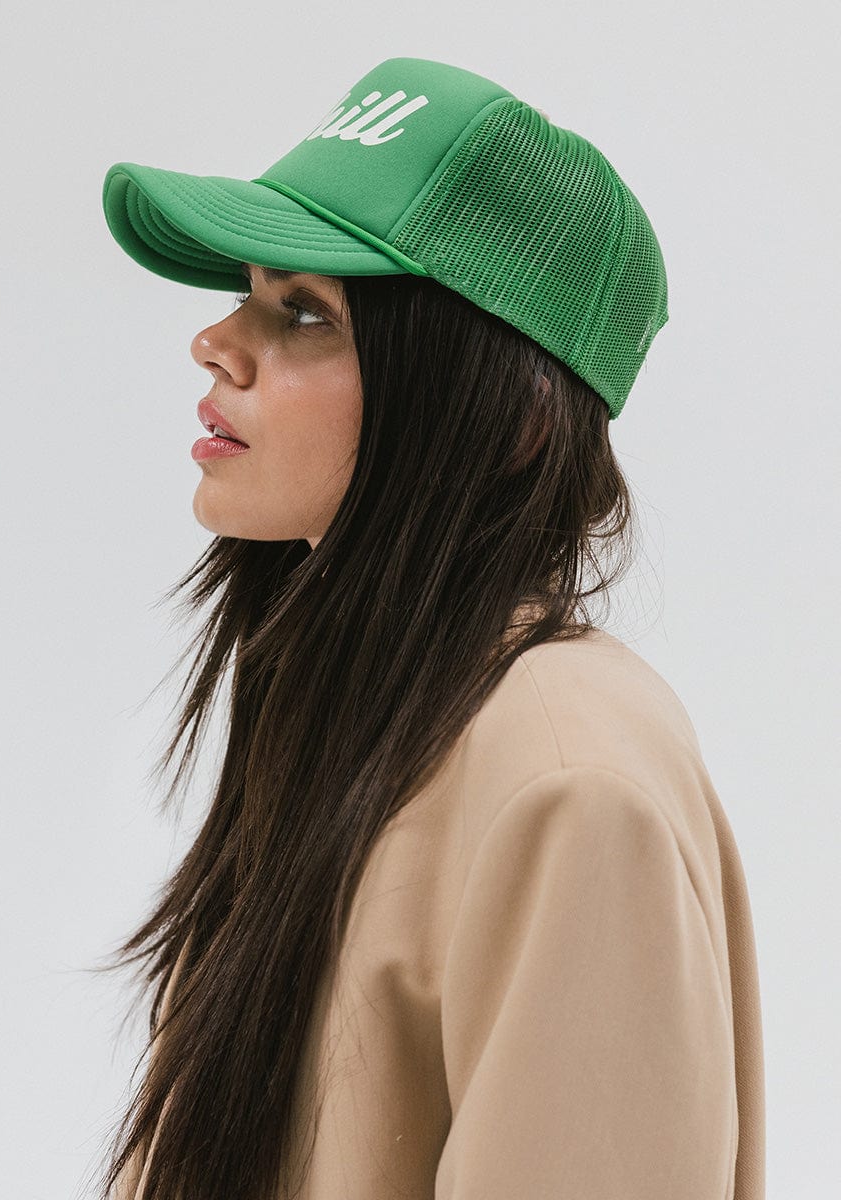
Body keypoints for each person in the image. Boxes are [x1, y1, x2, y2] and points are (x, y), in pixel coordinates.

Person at [93, 56, 765, 1200]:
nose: (218, 343)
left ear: (506, 422)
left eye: (303, 311)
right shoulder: (365, 707)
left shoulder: (567, 782)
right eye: (251, 290)